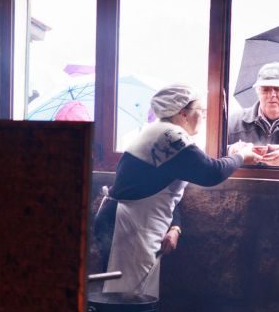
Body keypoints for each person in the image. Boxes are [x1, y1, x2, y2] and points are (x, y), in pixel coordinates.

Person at [103, 84, 258, 298]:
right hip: (130, 227)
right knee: (127, 301)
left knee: (135, 297)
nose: (203, 117)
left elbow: (170, 187)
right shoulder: (170, 137)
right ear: (183, 113)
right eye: (201, 111)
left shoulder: (161, 132)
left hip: (137, 223)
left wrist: (175, 226)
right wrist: (241, 157)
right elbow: (210, 172)